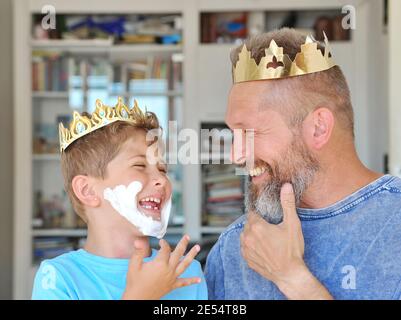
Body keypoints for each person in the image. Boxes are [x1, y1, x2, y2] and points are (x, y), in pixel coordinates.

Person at [205, 28, 401, 299]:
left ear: (318, 128)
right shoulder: (235, 247)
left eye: (249, 132)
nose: (235, 156)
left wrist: (293, 279)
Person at [32, 98, 207, 300]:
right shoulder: (58, 277)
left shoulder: (187, 272)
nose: (161, 179)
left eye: (162, 169)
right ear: (87, 190)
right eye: (140, 166)